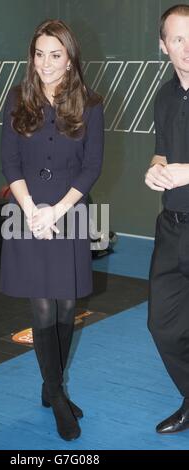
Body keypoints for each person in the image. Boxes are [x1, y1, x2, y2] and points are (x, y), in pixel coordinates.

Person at [0, 19, 104, 441]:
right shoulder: (16, 98)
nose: (45, 63)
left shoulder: (91, 104)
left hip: (70, 211)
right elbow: (10, 162)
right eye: (39, 54)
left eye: (55, 55)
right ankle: (58, 396)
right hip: (25, 213)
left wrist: (56, 212)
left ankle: (50, 385)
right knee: (42, 308)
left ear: (70, 58)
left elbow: (91, 167)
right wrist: (31, 211)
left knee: (65, 308)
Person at [145, 4, 189, 434]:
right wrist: (155, 169)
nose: (187, 48)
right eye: (177, 39)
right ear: (163, 46)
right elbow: (162, 149)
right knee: (162, 324)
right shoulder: (164, 94)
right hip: (172, 226)